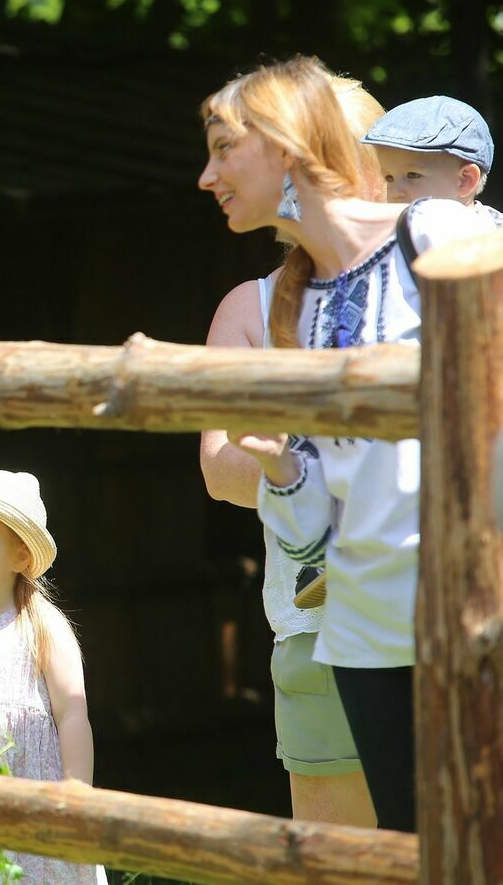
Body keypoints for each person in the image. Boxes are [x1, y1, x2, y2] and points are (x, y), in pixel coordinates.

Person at [196, 56, 495, 832]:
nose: (206, 175)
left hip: (470, 617)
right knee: (415, 855)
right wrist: (282, 466)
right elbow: (306, 524)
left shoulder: (440, 235)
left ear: (287, 148)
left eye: (225, 148)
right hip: (359, 636)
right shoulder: (300, 302)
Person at [198, 75, 384, 828]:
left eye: (220, 151)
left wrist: (303, 448)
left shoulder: (442, 266)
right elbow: (220, 469)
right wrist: (308, 460)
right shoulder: (249, 305)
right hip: (314, 624)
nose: (205, 178)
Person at [0, 469, 105, 884]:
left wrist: (76, 797)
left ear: (21, 558)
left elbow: (72, 714)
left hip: (31, 810)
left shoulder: (41, 624)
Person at [360, 95, 503, 225]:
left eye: (412, 175)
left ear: (465, 180)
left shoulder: (492, 243)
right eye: (389, 177)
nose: (395, 193)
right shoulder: (388, 240)